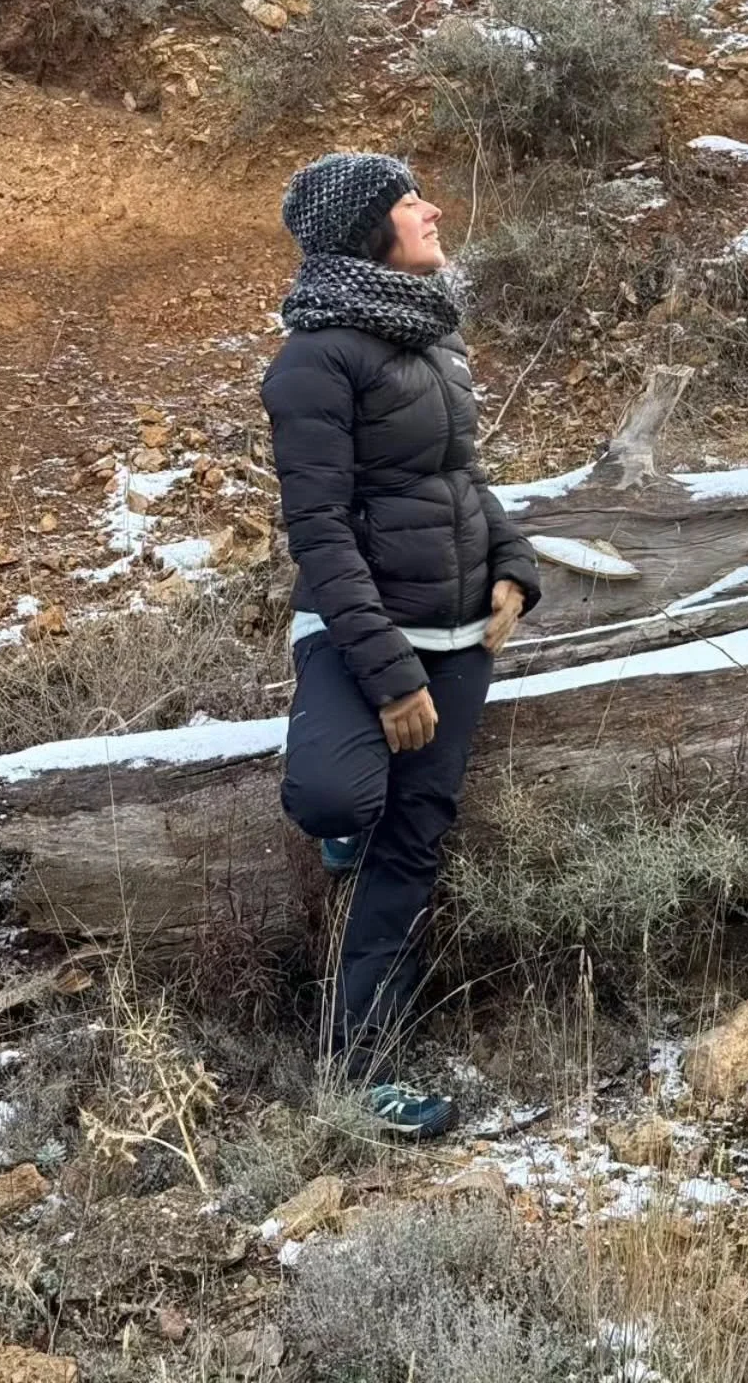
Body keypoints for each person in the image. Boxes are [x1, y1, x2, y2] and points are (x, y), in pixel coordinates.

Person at [262, 151, 541, 1137]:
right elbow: (322, 532)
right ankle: (345, 816)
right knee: (338, 796)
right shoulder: (311, 362)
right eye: (406, 199)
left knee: (412, 849)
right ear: (364, 229)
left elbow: (465, 481)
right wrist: (386, 677)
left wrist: (512, 568)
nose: (430, 207)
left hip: (462, 636)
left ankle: (364, 1073)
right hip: (360, 632)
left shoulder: (435, 341)